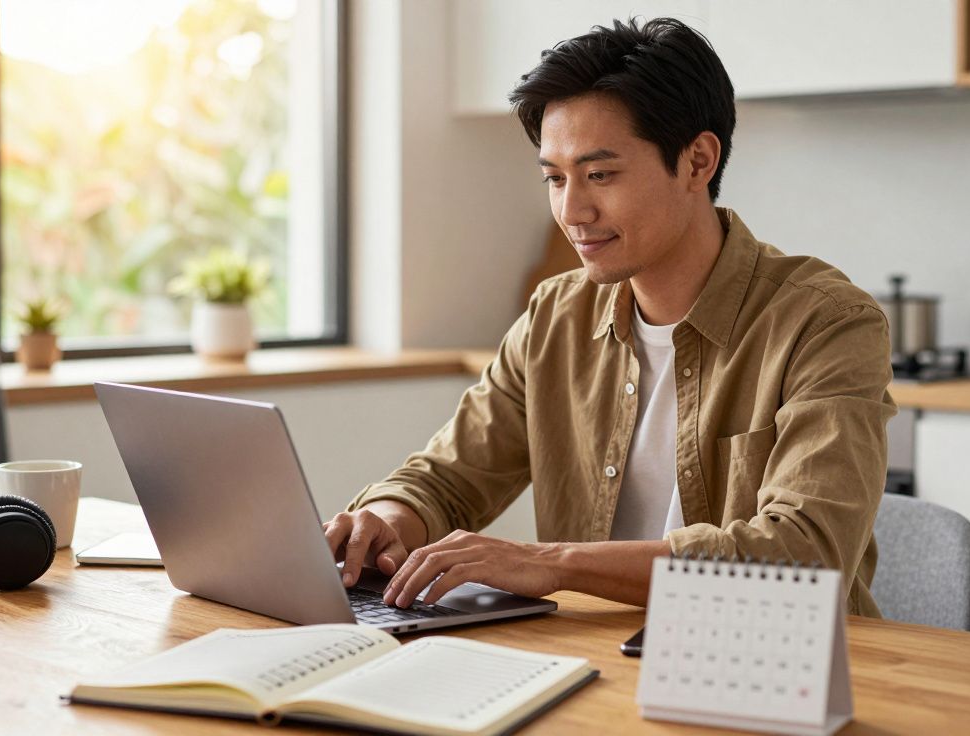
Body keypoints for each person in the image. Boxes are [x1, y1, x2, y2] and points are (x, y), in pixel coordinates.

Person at [323, 17, 895, 616]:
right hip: (597, 662)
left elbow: (805, 555)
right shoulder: (555, 316)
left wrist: (551, 564)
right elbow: (447, 479)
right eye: (554, 178)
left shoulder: (827, 323)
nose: (571, 211)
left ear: (698, 162)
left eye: (599, 175)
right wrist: (384, 520)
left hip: (768, 672)